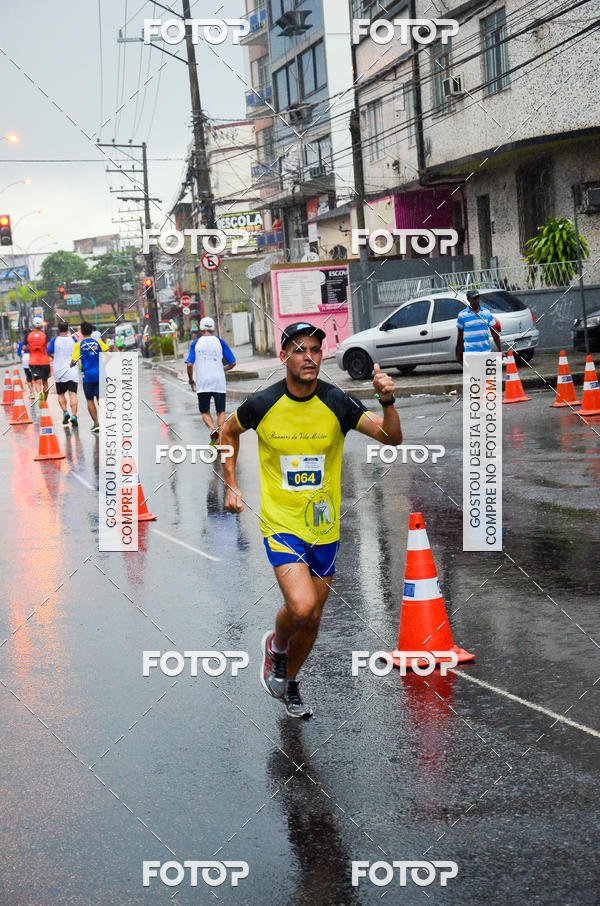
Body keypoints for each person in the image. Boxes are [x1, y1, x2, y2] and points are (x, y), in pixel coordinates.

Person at [221, 322, 403, 719]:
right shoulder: (263, 403)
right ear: (284, 355)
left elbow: (391, 439)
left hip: (324, 526)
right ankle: (276, 646)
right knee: (301, 608)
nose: (309, 356)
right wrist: (231, 484)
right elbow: (227, 432)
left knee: (314, 618)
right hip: (281, 523)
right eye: (300, 349)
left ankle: (289, 683)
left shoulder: (337, 402)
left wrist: (387, 401)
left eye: (316, 350)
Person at [186, 316, 236, 443]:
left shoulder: (195, 344)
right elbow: (233, 362)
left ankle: (212, 429)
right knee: (221, 411)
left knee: (204, 411)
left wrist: (191, 380)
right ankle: (220, 436)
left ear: (201, 328)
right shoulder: (220, 342)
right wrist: (221, 368)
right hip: (218, 381)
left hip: (203, 382)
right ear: (213, 327)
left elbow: (189, 364)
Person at [70, 321, 110, 433]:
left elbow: (74, 361)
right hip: (101, 374)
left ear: (82, 332)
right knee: (101, 398)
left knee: (89, 399)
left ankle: (96, 423)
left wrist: (72, 364)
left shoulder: (79, 345)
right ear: (92, 331)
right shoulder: (98, 342)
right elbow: (109, 354)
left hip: (88, 376)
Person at [456, 289, 501, 363]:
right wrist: (459, 354)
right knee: (476, 374)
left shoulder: (486, 312)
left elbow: (494, 332)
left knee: (488, 374)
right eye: (474, 298)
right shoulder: (462, 315)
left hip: (486, 351)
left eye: (478, 298)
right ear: (468, 299)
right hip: (471, 353)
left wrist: (500, 350)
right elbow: (460, 336)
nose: (476, 300)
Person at [48, 320, 79, 426]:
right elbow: (78, 353)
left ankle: (65, 412)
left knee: (61, 394)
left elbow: (49, 351)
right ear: (67, 329)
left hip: (59, 371)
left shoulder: (54, 340)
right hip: (72, 371)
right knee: (73, 393)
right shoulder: (73, 340)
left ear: (58, 329)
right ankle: (74, 416)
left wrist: (55, 357)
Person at [27, 316, 51, 406]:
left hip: (33, 362)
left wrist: (31, 349)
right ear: (42, 326)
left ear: (33, 325)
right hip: (44, 361)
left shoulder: (29, 335)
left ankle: (39, 393)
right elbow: (48, 347)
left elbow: (24, 347)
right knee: (45, 382)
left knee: (37, 382)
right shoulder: (45, 335)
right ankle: (44, 401)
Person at [17, 333, 33, 399]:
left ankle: (32, 393)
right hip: (34, 359)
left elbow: (19, 353)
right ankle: (39, 392)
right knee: (37, 377)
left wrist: (21, 358)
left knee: (28, 377)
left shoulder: (21, 343)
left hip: (25, 360)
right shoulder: (33, 342)